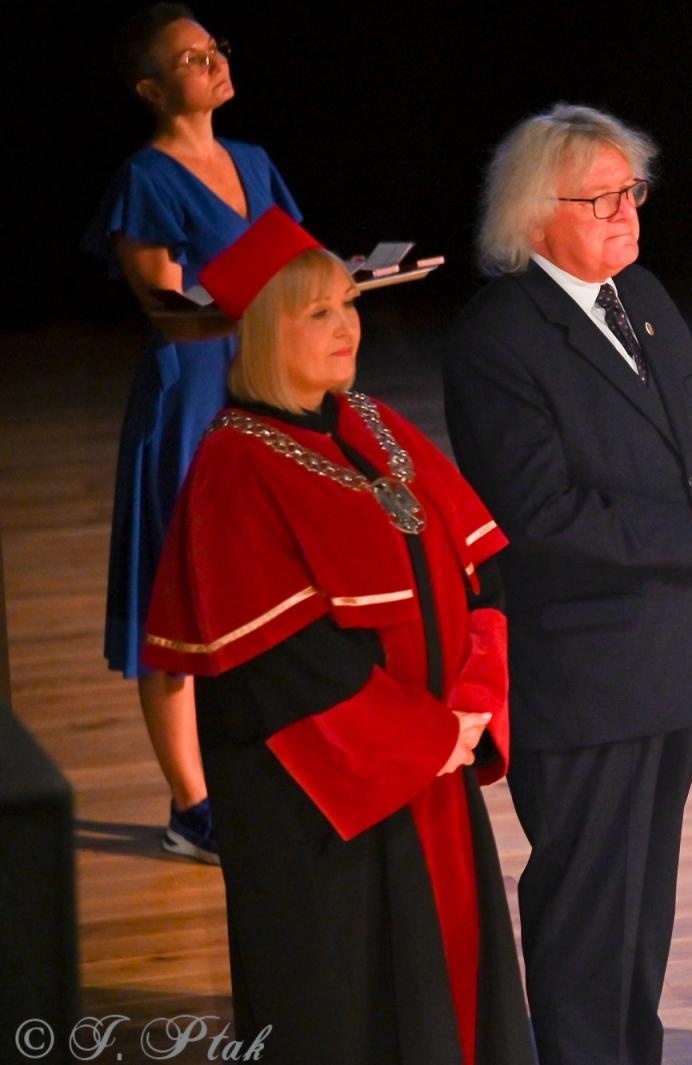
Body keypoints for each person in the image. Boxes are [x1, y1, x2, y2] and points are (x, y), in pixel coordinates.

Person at [142, 208, 537, 1065]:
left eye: (348, 304)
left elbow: (484, 576)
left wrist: (471, 706)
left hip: (433, 771)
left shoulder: (378, 427)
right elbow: (283, 663)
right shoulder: (234, 467)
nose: (346, 324)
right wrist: (428, 738)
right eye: (316, 311)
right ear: (259, 332)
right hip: (326, 807)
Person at [442, 104, 692, 1065]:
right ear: (533, 215)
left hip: (674, 658)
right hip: (584, 677)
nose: (627, 213)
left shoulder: (644, 295)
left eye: (633, 191)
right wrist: (690, 534)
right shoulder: (497, 340)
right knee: (588, 907)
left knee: (644, 905)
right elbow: (539, 514)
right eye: (602, 198)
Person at [83, 3, 302, 863]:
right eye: (189, 56)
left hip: (261, 392)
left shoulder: (252, 161)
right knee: (175, 599)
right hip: (194, 401)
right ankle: (192, 803)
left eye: (215, 47)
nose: (212, 62)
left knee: (264, 587)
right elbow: (168, 313)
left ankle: (259, 771)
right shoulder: (148, 177)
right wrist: (249, 301)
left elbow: (294, 263)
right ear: (151, 87)